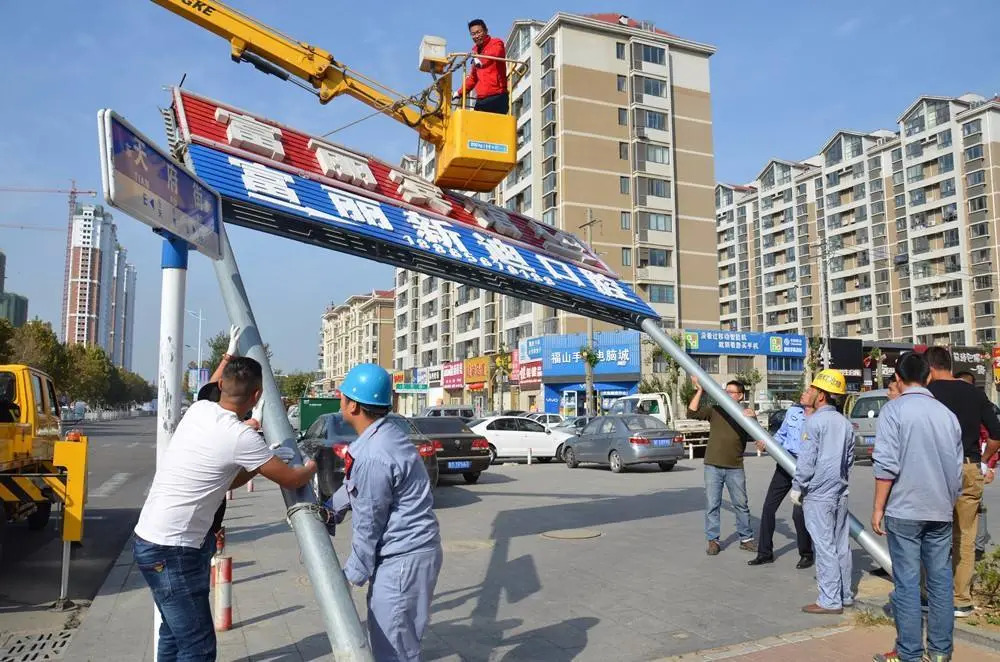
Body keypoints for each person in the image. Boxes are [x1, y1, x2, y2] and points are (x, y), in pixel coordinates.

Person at [134, 357, 317, 662]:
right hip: (175, 551)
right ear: (257, 396)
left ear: (221, 386)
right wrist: (312, 462)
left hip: (151, 540)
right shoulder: (241, 436)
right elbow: (293, 479)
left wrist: (259, 464)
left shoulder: (199, 410)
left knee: (174, 634)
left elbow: (226, 481)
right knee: (198, 648)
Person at [325, 363, 442, 661]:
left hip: (402, 561)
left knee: (394, 650)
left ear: (353, 405)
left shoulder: (374, 453)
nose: (340, 400)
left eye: (343, 396)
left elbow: (369, 522)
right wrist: (330, 511)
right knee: (396, 641)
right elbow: (355, 486)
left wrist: (350, 577)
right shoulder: (383, 436)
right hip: (411, 555)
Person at [871, 352, 963, 662]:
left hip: (904, 510)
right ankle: (940, 653)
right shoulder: (946, 415)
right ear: (928, 377)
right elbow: (956, 469)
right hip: (940, 509)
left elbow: (886, 465)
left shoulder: (894, 411)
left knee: (907, 584)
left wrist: (878, 508)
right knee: (940, 582)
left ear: (898, 378)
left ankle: (909, 653)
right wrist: (948, 502)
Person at [924, 346, 1000, 617]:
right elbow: (996, 434)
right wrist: (984, 459)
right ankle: (961, 600)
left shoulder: (927, 395)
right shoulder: (974, 393)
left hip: (934, 469)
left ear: (930, 368)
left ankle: (927, 593)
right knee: (965, 536)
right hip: (969, 467)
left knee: (931, 532)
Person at [790, 369, 854, 615]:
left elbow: (807, 460)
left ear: (822, 395)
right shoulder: (845, 423)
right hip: (840, 490)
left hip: (818, 493)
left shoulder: (814, 422)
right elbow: (848, 460)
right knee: (841, 545)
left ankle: (830, 600)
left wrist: (798, 486)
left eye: (813, 389)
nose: (810, 393)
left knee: (824, 546)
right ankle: (845, 594)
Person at [688, 377, 757, 556]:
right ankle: (713, 541)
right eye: (726, 391)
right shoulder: (715, 410)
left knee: (741, 504)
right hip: (713, 466)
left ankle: (746, 539)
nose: (727, 394)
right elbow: (692, 413)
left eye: (731, 392)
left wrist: (753, 417)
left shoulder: (745, 414)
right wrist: (700, 390)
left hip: (735, 466)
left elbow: (758, 436)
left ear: (740, 396)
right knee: (712, 504)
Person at [748, 391, 815, 569]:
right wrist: (767, 444)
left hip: (804, 467)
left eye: (808, 392)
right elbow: (781, 435)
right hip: (785, 463)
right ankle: (765, 553)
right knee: (768, 507)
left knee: (798, 513)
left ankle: (806, 554)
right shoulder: (793, 412)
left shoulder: (818, 418)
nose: (803, 394)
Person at [954, 370, 999, 561]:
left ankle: (978, 546)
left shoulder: (977, 405)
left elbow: (991, 435)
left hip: (973, 463)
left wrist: (988, 464)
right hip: (959, 463)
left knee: (977, 506)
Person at [454, 19, 509, 114]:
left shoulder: (496, 43)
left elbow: (495, 53)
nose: (476, 36)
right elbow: (473, 78)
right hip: (481, 98)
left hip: (498, 96)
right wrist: (459, 92)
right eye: (473, 34)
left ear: (486, 31)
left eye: (478, 32)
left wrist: (480, 60)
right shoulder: (475, 54)